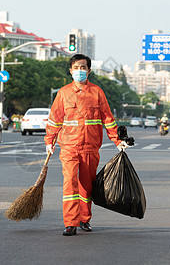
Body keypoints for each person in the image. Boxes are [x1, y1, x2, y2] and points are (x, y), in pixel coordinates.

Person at [45, 54, 127, 236]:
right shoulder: (64, 93)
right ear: (70, 71)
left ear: (89, 70)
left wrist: (117, 140)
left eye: (83, 68)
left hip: (90, 147)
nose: (79, 71)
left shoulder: (97, 92)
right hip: (68, 147)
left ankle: (84, 219)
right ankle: (70, 223)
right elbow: (55, 119)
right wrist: (49, 141)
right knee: (70, 184)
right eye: (76, 68)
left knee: (86, 186)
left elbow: (107, 118)